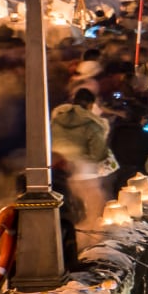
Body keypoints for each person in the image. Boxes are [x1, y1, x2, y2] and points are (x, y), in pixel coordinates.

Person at [50, 88, 114, 225]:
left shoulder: (57, 120)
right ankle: (88, 242)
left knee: (70, 214)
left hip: (59, 173)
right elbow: (98, 153)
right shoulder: (91, 124)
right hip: (85, 174)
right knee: (94, 210)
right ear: (91, 105)